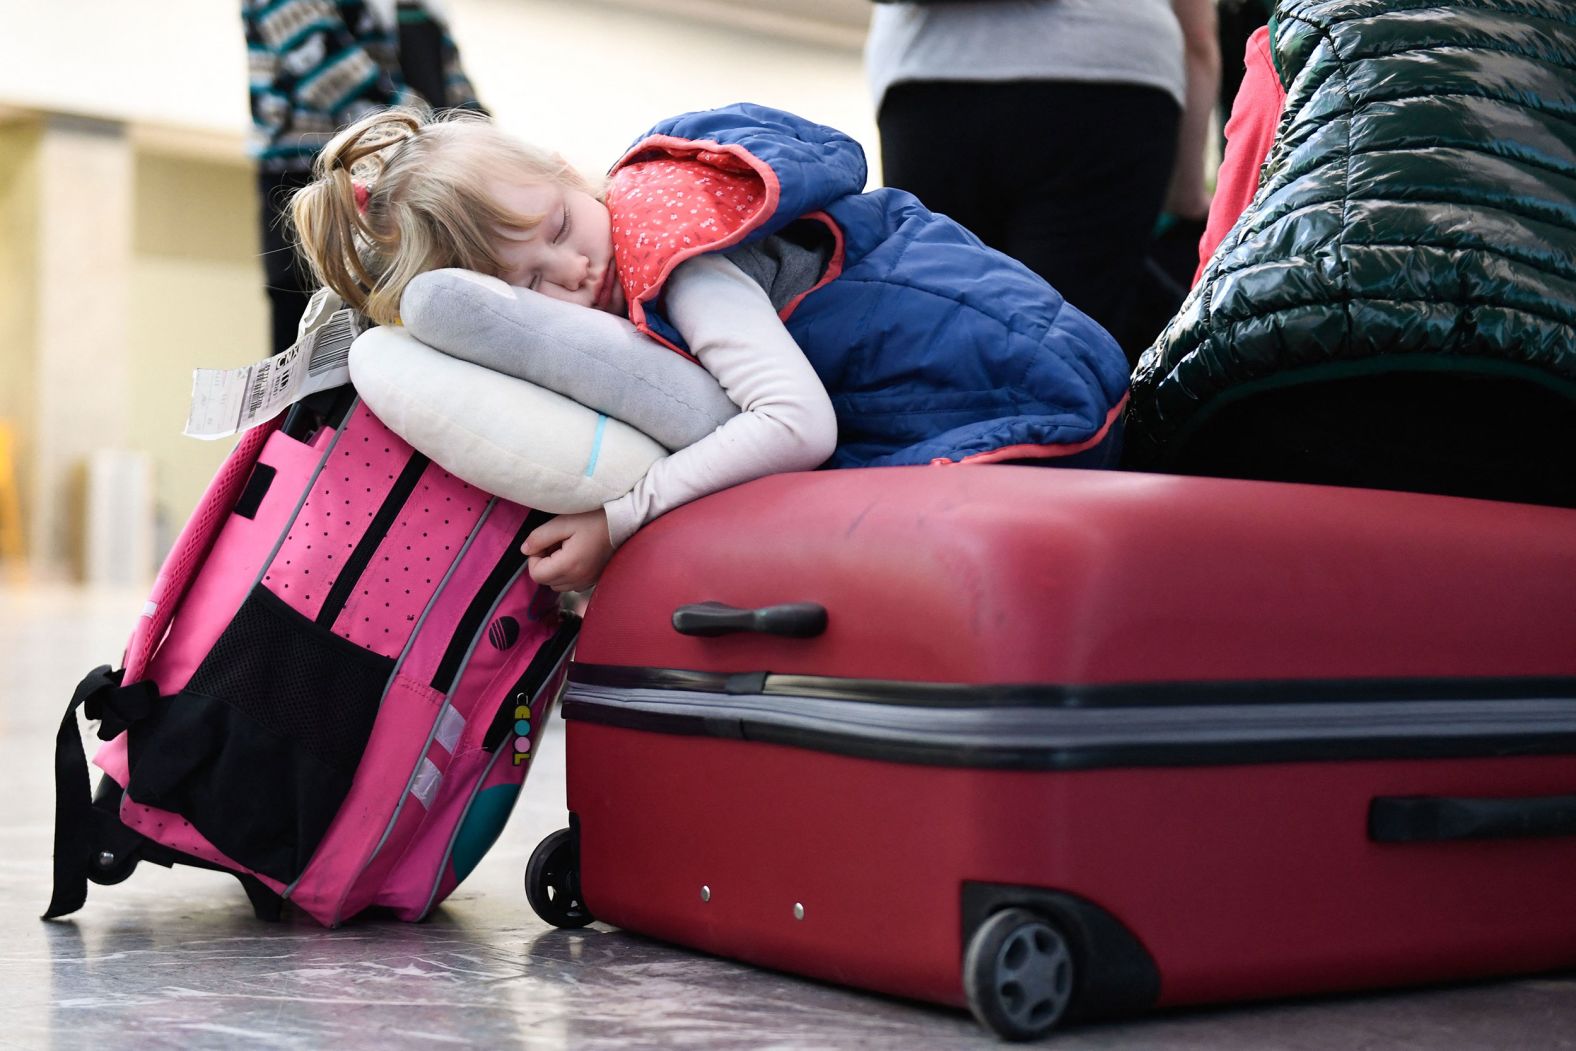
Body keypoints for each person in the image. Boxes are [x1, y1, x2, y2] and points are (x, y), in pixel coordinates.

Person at [290, 103, 1130, 590]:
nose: (575, 271)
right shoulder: (627, 253)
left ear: (563, 169)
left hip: (1033, 409)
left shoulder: (678, 257)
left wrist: (621, 518)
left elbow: (798, 424)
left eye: (557, 228)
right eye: (530, 284)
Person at [864, 0, 1220, 363]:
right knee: (1062, 356)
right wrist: (1187, 190)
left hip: (929, 83)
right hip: (1110, 76)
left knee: (935, 336)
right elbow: (1197, 34)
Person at [243, 0, 485, 355]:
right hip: (316, 170)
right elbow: (331, 74)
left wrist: (483, 145)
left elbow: (453, 85)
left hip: (419, 167)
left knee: (413, 322)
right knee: (316, 327)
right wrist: (440, 139)